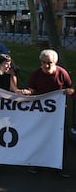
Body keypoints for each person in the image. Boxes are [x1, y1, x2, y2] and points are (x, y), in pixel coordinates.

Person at [24, 49, 74, 177]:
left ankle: (59, 166)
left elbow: (70, 88)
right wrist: (27, 93)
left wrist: (70, 92)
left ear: (55, 62)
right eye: (43, 62)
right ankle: (37, 163)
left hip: (58, 113)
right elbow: (32, 91)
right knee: (39, 136)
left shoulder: (62, 73)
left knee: (62, 139)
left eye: (49, 63)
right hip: (41, 113)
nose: (46, 65)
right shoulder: (36, 75)